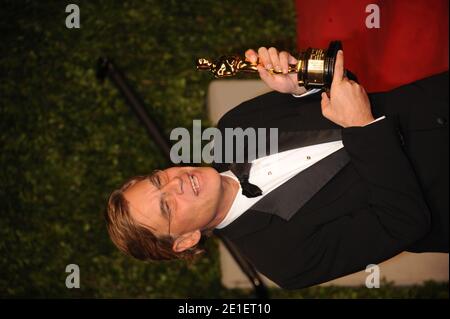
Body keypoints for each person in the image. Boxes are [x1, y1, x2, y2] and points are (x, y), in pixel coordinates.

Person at [105, 47, 449, 289]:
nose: (174, 184)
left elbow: (352, 88)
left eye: (157, 179)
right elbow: (405, 221)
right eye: (167, 205)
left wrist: (302, 83)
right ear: (185, 240)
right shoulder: (285, 262)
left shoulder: (232, 127)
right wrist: (365, 130)